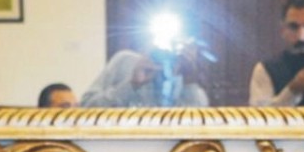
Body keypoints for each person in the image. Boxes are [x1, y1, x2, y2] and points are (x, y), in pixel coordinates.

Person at [80, 48, 210, 108]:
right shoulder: (125, 62)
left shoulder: (187, 78)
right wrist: (131, 85)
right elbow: (85, 110)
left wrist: (189, 84)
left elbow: (199, 130)